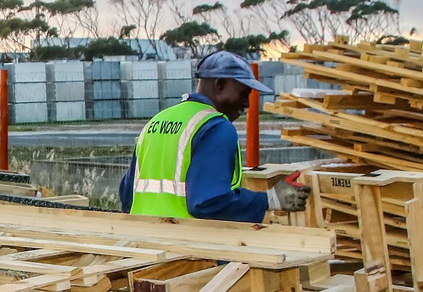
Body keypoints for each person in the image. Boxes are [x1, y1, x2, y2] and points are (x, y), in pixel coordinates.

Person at [118, 50, 309, 222]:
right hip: (192, 252)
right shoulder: (216, 127)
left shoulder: (157, 121)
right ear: (220, 85)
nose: (247, 104)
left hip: (145, 248)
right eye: (243, 94)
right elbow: (206, 202)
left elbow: (127, 196)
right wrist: (270, 199)